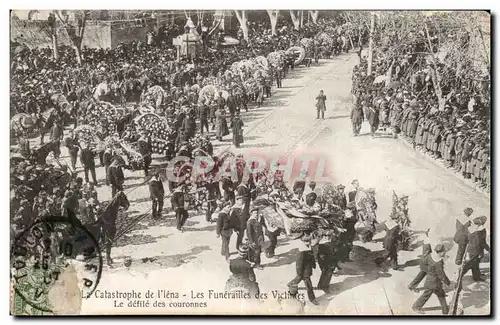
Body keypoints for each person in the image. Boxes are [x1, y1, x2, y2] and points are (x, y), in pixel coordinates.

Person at [412, 244, 452, 315]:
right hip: (434, 283)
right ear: (440, 252)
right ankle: (416, 306)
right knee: (426, 295)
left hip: (431, 280)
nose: (445, 253)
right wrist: (448, 283)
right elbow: (441, 275)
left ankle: (445, 310)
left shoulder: (430, 256)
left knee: (441, 294)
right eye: (444, 252)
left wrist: (430, 271)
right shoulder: (438, 262)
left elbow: (424, 262)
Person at [288, 231, 319, 305]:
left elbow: (311, 257)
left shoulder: (308, 247)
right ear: (302, 241)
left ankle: (291, 283)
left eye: (309, 241)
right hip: (304, 271)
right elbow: (299, 264)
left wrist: (313, 264)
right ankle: (312, 299)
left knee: (299, 279)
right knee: (308, 285)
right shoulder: (301, 251)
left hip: (307, 270)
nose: (308, 243)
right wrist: (299, 273)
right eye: (306, 241)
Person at [462, 215, 489, 282]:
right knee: (472, 264)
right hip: (476, 251)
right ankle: (473, 276)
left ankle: (476, 275)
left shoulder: (471, 230)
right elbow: (480, 243)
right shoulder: (479, 232)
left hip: (472, 250)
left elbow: (481, 242)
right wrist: (481, 252)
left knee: (475, 264)